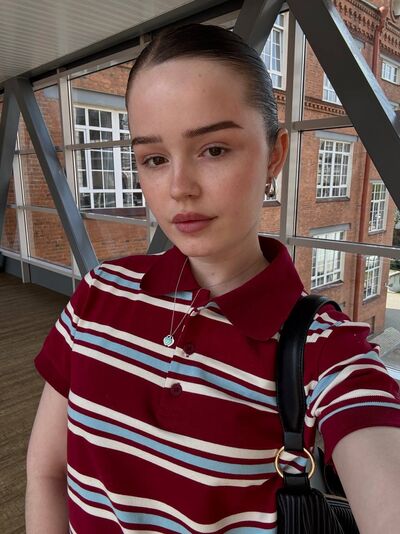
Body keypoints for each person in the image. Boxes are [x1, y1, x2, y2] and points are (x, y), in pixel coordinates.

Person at [26, 23, 400, 534]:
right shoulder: (97, 294)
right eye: (154, 159)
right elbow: (47, 472)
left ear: (274, 155)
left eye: (214, 149)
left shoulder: (325, 351)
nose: (179, 187)